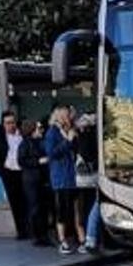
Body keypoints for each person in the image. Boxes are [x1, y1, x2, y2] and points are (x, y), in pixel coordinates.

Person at [44, 105, 80, 255]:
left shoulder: (69, 130)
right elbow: (51, 153)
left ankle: (76, 238)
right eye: (64, 116)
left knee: (75, 210)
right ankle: (62, 240)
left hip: (73, 176)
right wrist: (67, 141)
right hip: (60, 177)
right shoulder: (52, 132)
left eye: (68, 116)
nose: (68, 118)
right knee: (62, 210)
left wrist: (74, 139)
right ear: (57, 117)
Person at [0, 110, 28, 240]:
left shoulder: (21, 133)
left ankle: (30, 228)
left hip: (22, 171)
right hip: (9, 173)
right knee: (15, 202)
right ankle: (21, 231)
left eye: (12, 122)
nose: (11, 125)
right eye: (8, 123)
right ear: (3, 124)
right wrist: (1, 171)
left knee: (26, 200)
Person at [17, 119, 51, 246]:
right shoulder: (25, 144)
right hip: (31, 180)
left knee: (43, 207)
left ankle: (44, 234)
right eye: (38, 128)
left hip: (40, 178)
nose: (40, 130)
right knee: (35, 207)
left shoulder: (39, 143)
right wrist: (38, 162)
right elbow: (21, 161)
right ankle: (37, 236)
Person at [75, 111, 100, 254]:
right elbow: (88, 154)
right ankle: (90, 238)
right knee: (92, 206)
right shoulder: (90, 135)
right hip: (91, 177)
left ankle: (90, 238)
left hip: (86, 179)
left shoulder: (83, 135)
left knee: (89, 207)